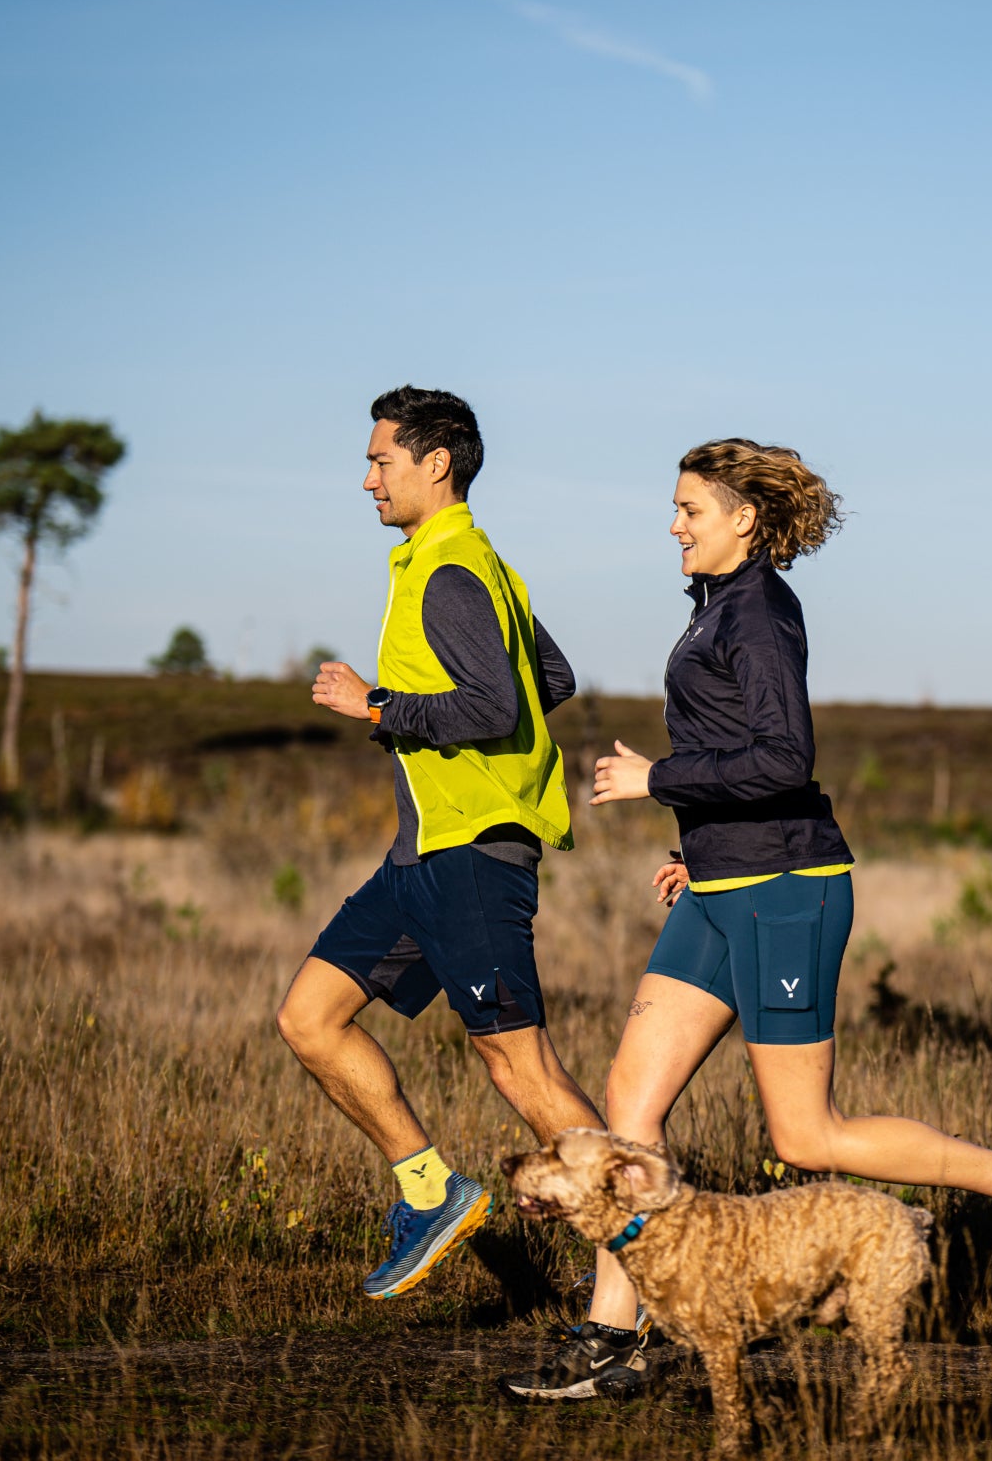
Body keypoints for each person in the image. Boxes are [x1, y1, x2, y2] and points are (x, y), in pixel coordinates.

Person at [499, 438, 992, 1403]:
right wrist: (699, 847)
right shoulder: (713, 611)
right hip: (725, 887)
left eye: (691, 509)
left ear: (744, 520)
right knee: (631, 1106)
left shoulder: (762, 612)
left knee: (805, 1136)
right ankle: (616, 1336)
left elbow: (782, 757)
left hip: (787, 890)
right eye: (676, 508)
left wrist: (657, 779)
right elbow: (739, 756)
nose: (674, 524)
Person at [278, 386, 603, 1300]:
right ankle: (431, 1194)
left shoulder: (453, 569)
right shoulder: (467, 564)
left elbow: (500, 704)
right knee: (309, 1017)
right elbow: (553, 678)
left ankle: (645, 1254)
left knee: (518, 1063)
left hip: (471, 856)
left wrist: (376, 704)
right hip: (420, 854)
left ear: (437, 464)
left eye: (382, 460)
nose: (368, 478)